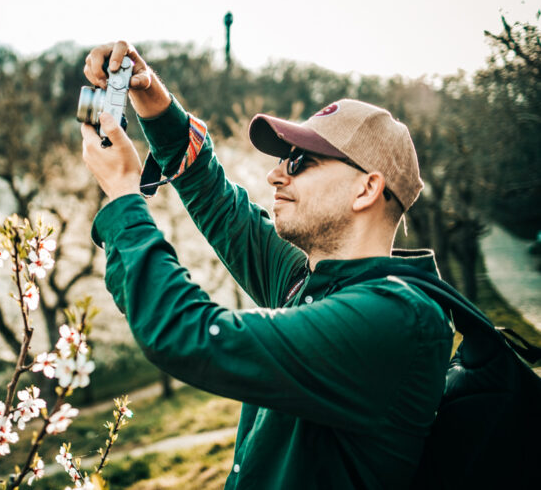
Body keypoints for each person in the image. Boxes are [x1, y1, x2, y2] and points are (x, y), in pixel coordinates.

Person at [80, 41, 454, 489]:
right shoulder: (311, 283)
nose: (276, 175)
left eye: (300, 162)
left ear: (367, 190)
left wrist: (124, 195)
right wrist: (150, 97)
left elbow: (191, 337)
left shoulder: (392, 320)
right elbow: (215, 199)